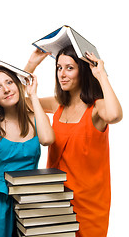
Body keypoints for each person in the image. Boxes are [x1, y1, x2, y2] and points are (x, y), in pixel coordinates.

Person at [24, 46, 123, 237]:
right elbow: (18, 101)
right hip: (55, 198)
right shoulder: (57, 104)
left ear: (83, 72)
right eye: (59, 68)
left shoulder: (97, 108)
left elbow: (115, 115)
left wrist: (101, 75)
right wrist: (31, 64)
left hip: (89, 204)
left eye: (69, 68)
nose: (62, 74)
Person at [0, 66, 55, 237]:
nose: (6, 89)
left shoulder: (35, 118)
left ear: (18, 85)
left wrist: (34, 95)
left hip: (27, 200)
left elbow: (47, 139)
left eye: (9, 82)